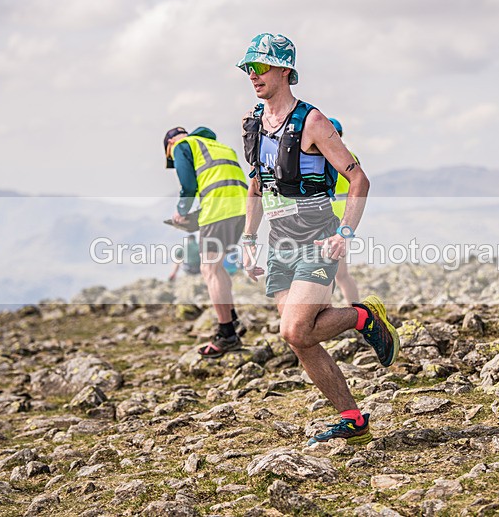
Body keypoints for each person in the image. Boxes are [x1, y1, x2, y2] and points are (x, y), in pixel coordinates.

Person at [236, 33, 400, 446]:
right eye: (248, 69)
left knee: (293, 331)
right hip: (279, 241)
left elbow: (358, 178)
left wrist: (345, 232)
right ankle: (353, 419)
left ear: (285, 70)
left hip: (316, 235)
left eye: (260, 67)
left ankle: (365, 317)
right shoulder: (254, 123)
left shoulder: (312, 121)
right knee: (304, 338)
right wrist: (249, 238)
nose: (252, 76)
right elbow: (257, 186)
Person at [163, 126, 249, 357]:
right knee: (217, 266)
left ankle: (227, 334)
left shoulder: (183, 146)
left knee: (208, 268)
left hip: (219, 211)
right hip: (243, 209)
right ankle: (233, 321)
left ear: (170, 144)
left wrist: (182, 212)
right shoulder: (219, 146)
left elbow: (189, 186)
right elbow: (220, 181)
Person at [329, 118, 361, 303]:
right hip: (346, 220)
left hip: (328, 219)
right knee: (342, 274)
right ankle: (358, 314)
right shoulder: (352, 157)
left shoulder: (327, 156)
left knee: (324, 274)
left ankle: (321, 321)